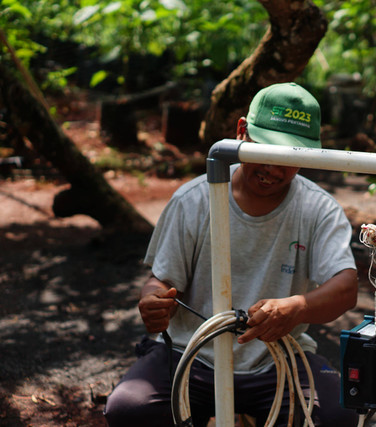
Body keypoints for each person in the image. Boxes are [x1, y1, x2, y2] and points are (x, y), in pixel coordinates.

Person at [104, 82, 360, 427]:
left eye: (292, 156)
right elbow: (160, 280)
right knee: (130, 409)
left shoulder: (318, 209)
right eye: (266, 150)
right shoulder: (193, 200)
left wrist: (298, 306)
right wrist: (152, 301)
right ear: (242, 132)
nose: (274, 167)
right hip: (191, 355)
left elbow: (345, 287)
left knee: (338, 415)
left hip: (277, 361)